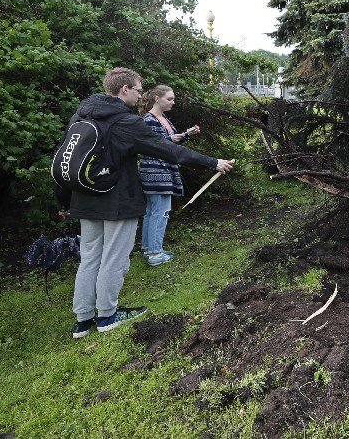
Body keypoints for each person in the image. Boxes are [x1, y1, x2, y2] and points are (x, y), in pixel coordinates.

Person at [61, 68, 235, 339]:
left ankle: (83, 320)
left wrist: (64, 202)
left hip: (84, 200)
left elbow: (65, 160)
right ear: (124, 90)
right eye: (139, 90)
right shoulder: (125, 121)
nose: (141, 95)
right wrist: (212, 162)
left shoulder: (80, 116)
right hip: (118, 201)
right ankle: (107, 315)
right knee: (114, 259)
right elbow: (169, 150)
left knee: (89, 258)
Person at [138, 84, 200, 266]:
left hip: (164, 170)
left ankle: (149, 249)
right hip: (156, 172)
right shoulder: (149, 120)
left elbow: (170, 141)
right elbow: (153, 145)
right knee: (159, 212)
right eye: (169, 99)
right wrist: (169, 140)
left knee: (153, 212)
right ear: (157, 99)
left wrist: (186, 134)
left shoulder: (162, 118)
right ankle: (155, 254)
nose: (173, 102)